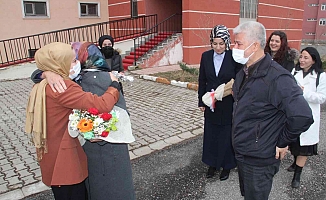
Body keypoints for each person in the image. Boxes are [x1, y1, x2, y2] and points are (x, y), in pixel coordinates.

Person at [31, 42, 136, 199]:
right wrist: (115, 85)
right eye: (72, 60)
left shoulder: (48, 83)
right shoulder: (63, 85)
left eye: (76, 59)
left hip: (54, 154)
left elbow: (35, 75)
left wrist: (46, 74)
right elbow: (101, 104)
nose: (76, 64)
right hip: (65, 160)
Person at [231, 21, 314, 200]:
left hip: (260, 158)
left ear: (254, 45)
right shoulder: (245, 71)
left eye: (238, 43)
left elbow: (302, 116)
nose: (234, 47)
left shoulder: (277, 77)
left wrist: (283, 141)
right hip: (243, 152)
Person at [198, 25, 241, 180]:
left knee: (226, 135)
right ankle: (212, 164)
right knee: (211, 134)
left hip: (228, 103)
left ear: (227, 43)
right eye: (215, 43)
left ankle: (227, 166)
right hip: (211, 103)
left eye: (221, 43)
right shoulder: (206, 56)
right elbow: (202, 79)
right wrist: (201, 102)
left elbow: (239, 79)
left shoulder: (233, 57)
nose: (218, 47)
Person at [287, 47, 326, 188]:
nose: (302, 60)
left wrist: (304, 92)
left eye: (306, 58)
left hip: (309, 116)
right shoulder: (294, 72)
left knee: (304, 147)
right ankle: (294, 162)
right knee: (295, 143)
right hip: (294, 114)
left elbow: (321, 98)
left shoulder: (321, 76)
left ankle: (297, 174)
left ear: (314, 60)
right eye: (301, 57)